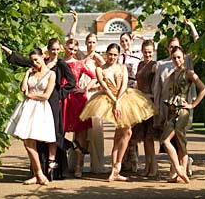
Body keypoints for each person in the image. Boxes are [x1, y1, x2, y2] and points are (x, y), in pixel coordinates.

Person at [1, 38, 76, 180]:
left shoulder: (61, 64)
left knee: (52, 134)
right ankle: (37, 170)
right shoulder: (39, 62)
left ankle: (53, 168)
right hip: (37, 102)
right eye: (52, 49)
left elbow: (72, 82)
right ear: (47, 50)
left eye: (56, 49)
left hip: (52, 102)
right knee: (36, 135)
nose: (54, 51)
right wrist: (10, 53)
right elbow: (24, 61)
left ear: (60, 49)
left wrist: (59, 94)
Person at [79, 43, 155, 181]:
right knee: (124, 132)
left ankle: (116, 168)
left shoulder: (122, 67)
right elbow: (104, 87)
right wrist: (114, 102)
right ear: (106, 54)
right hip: (108, 99)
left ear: (118, 55)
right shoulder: (100, 70)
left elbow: (124, 85)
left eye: (115, 55)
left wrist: (119, 101)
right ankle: (116, 168)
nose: (112, 57)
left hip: (124, 98)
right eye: (110, 54)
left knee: (123, 133)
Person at [153, 18, 199, 179]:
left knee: (180, 138)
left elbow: (199, 45)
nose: (174, 50)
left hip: (183, 104)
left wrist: (192, 26)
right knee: (169, 139)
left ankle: (180, 169)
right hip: (166, 105)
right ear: (167, 48)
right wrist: (156, 106)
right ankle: (176, 168)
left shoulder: (186, 60)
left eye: (176, 47)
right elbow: (157, 87)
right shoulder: (161, 64)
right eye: (171, 47)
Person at [4, 48, 56, 185]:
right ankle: (38, 174)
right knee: (27, 142)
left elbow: (46, 95)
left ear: (43, 57)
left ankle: (39, 174)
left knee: (30, 142)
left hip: (40, 108)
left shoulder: (51, 74)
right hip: (27, 107)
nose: (34, 62)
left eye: (36, 60)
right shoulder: (32, 72)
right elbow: (23, 88)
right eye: (32, 60)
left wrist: (31, 96)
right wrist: (27, 73)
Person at [161, 46, 205, 184]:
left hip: (182, 110)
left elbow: (204, 89)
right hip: (172, 109)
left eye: (179, 57)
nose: (176, 60)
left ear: (184, 57)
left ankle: (179, 169)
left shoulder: (189, 73)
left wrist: (192, 105)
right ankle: (180, 171)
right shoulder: (172, 74)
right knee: (179, 141)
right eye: (174, 57)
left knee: (166, 140)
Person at [68, 11, 107, 174]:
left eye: (93, 42)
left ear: (96, 43)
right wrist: (75, 21)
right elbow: (71, 37)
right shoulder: (81, 56)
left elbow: (106, 75)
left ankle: (96, 165)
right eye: (89, 42)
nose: (91, 44)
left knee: (95, 132)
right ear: (86, 43)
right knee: (80, 131)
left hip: (93, 96)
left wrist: (92, 87)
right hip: (80, 96)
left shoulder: (99, 58)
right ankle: (77, 164)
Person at [62, 38, 97, 178]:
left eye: (75, 50)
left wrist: (84, 89)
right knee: (60, 132)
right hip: (62, 99)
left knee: (81, 134)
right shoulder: (59, 62)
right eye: (70, 48)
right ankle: (60, 165)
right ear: (65, 47)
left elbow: (94, 77)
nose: (72, 52)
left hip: (77, 100)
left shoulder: (79, 64)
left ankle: (79, 167)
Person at [131, 39, 159, 177]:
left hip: (150, 103)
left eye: (150, 52)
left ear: (153, 52)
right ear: (141, 51)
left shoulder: (155, 65)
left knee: (149, 137)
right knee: (143, 137)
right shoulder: (141, 64)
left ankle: (153, 167)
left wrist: (152, 96)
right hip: (140, 103)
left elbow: (158, 83)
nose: (147, 54)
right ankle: (148, 166)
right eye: (145, 52)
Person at [119, 32, 144, 172]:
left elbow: (150, 46)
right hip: (122, 92)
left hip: (134, 90)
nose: (125, 43)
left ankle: (133, 159)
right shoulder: (119, 58)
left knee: (134, 127)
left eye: (127, 40)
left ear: (131, 41)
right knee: (124, 126)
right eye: (122, 41)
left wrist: (139, 37)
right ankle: (124, 160)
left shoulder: (137, 55)